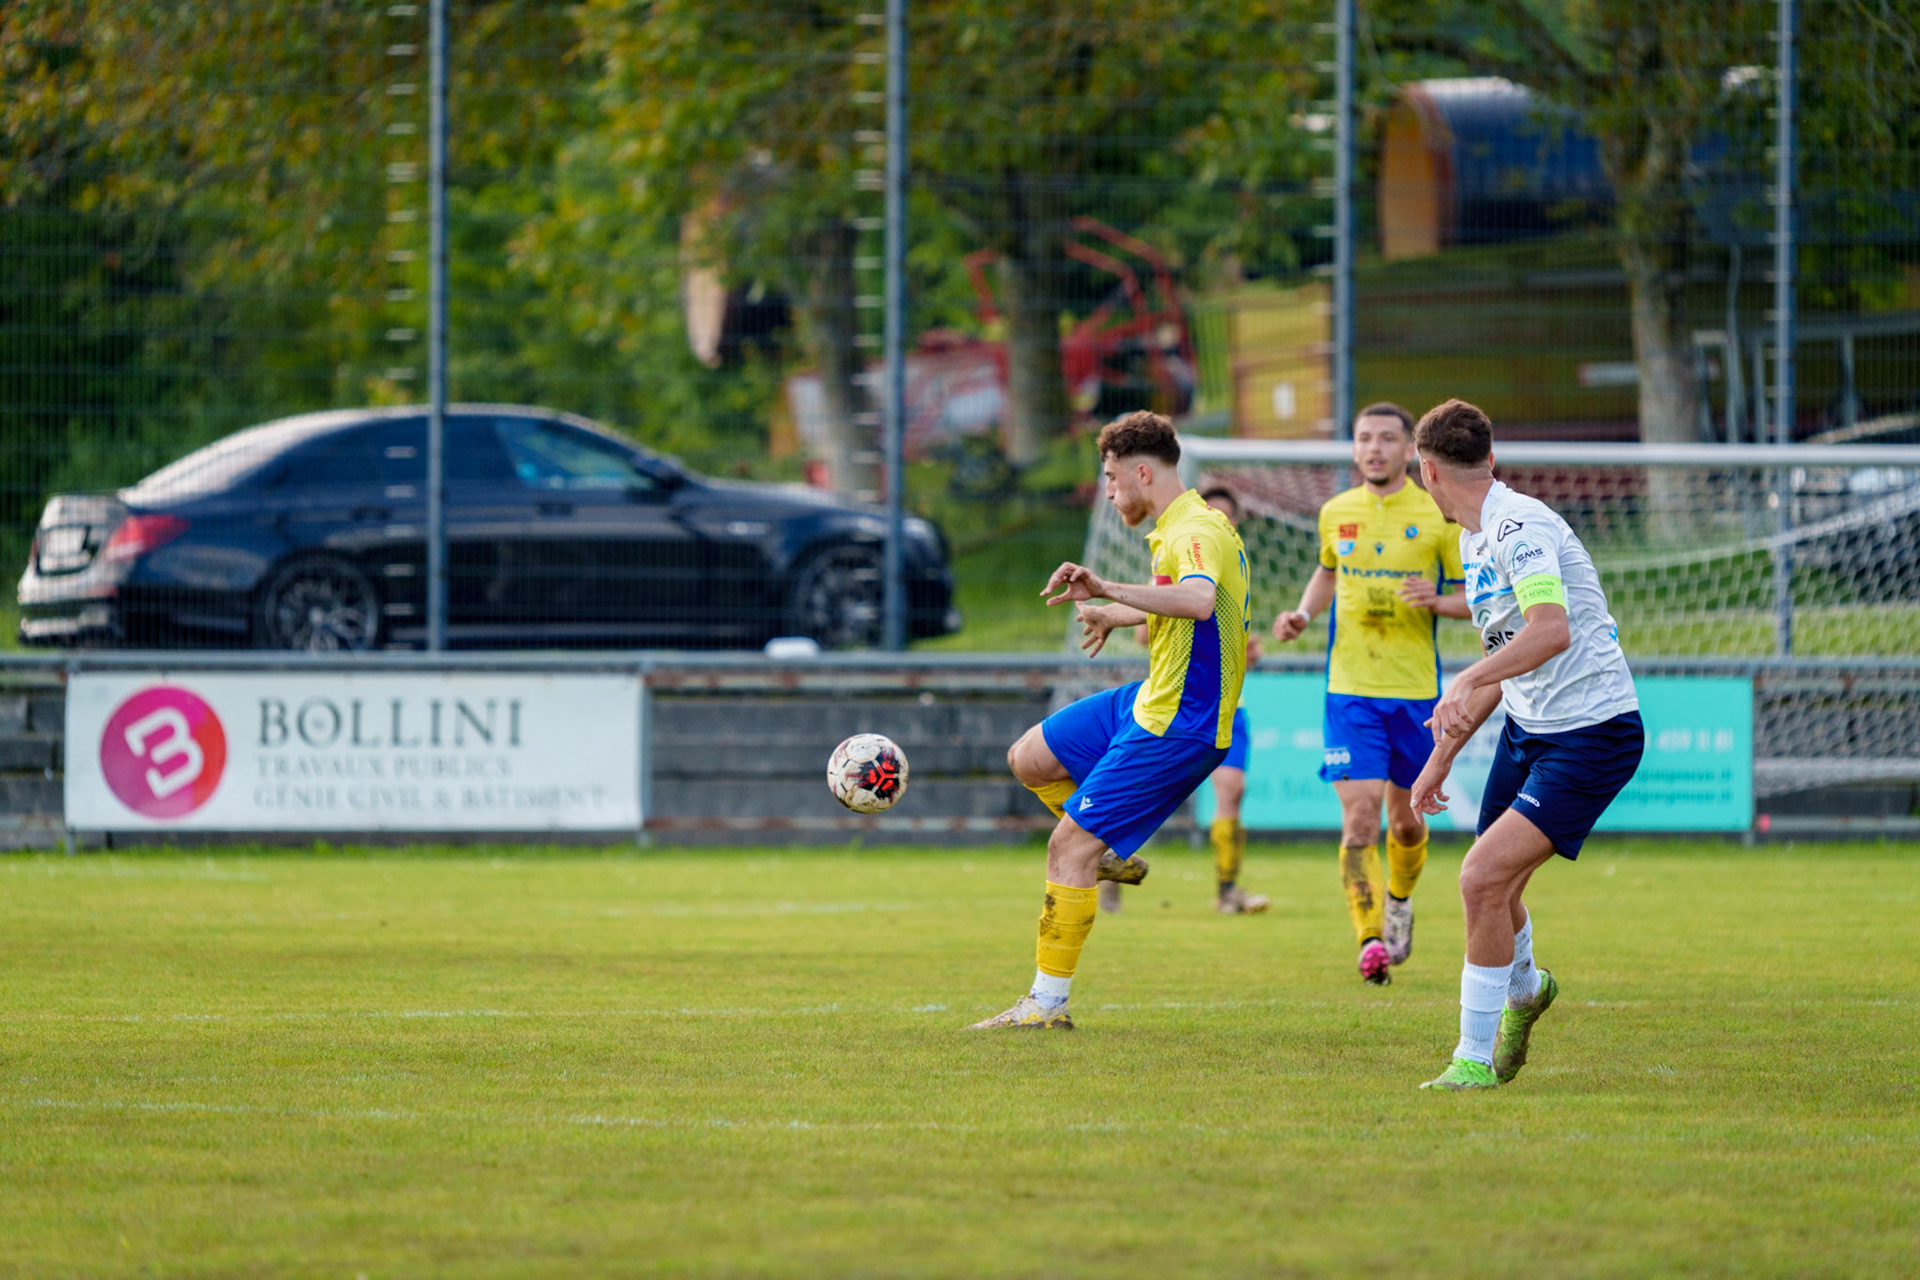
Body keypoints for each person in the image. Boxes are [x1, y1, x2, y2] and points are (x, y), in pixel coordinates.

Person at [971, 411, 1250, 1030]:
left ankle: (1045, 1007)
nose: (1108, 490)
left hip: (1180, 721)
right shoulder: (1181, 526)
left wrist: (1108, 589)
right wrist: (1114, 615)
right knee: (1030, 757)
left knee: (1066, 846)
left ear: (1142, 471)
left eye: (1110, 477)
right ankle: (1110, 852)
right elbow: (1189, 608)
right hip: (1151, 698)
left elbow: (1200, 601)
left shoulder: (1194, 532)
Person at [1404, 399, 1644, 1090]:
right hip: (1529, 728)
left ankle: (1472, 1059)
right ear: (1490, 458)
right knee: (1496, 889)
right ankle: (1528, 987)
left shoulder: (1520, 527)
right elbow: (1507, 654)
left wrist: (1469, 674)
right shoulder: (1471, 539)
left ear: (1426, 472)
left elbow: (1550, 629)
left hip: (1592, 734)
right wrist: (1440, 758)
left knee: (1480, 878)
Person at [1271, 402, 1469, 985]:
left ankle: (1400, 903)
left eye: (1387, 439)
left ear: (1410, 450)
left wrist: (1435, 601)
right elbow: (1328, 571)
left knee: (1405, 825)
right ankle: (1369, 939)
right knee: (1359, 823)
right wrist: (1305, 613)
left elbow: (1473, 599)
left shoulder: (1437, 517)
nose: (1375, 448)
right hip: (1349, 692)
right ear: (1354, 449)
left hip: (1413, 695)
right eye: (1364, 439)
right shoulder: (1336, 513)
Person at [1100, 484, 1269, 917]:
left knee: (1233, 791)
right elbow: (1144, 632)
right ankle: (1110, 863)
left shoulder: (1230, 564)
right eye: (1215, 514)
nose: (1219, 523)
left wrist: (1248, 649)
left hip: (1230, 704)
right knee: (1142, 792)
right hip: (1178, 703)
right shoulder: (1179, 555)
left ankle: (1227, 891)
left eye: (1227, 518)